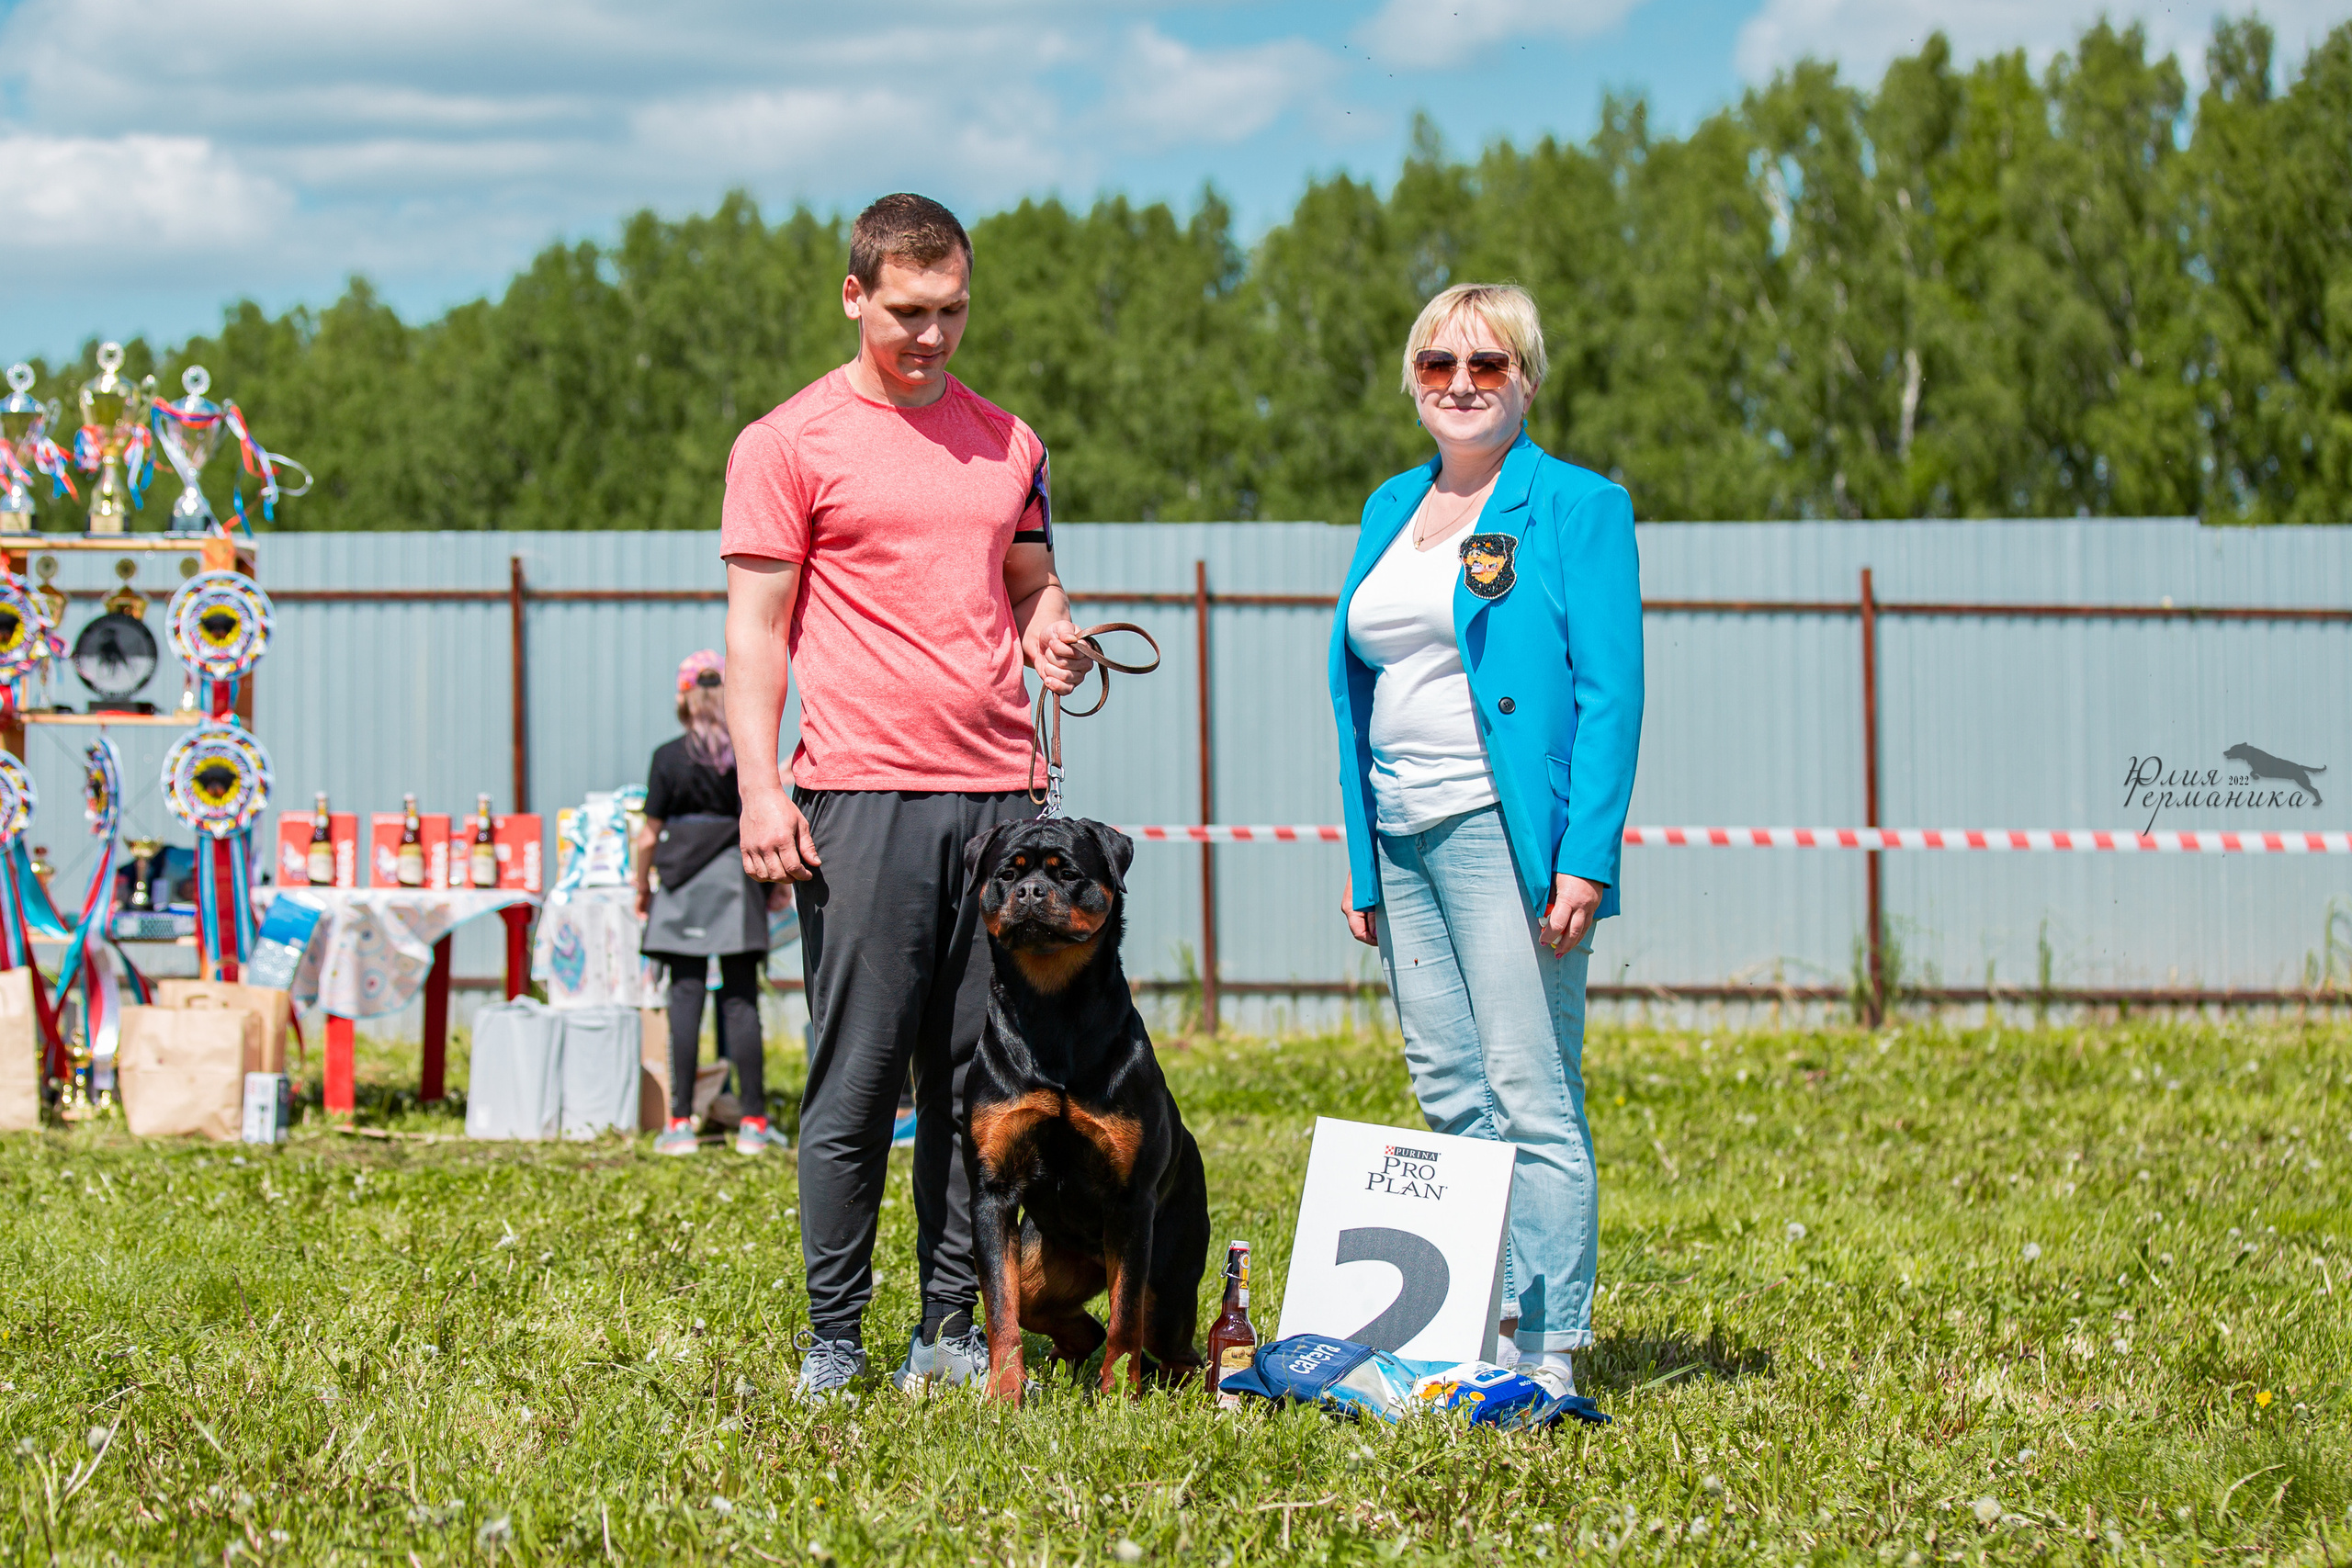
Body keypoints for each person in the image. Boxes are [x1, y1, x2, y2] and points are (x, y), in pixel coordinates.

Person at [719, 193, 1092, 1400]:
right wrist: (764, 788)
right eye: (909, 312)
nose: (933, 335)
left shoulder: (1011, 440)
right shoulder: (786, 443)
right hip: (859, 796)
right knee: (858, 1071)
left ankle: (946, 1326)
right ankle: (836, 1335)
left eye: (954, 311)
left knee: (977, 1081)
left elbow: (1030, 583)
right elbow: (757, 631)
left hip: (1001, 798)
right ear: (855, 296)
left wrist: (1057, 632)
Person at [1327, 282, 1644, 1390]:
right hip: (1400, 829)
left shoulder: (1577, 508)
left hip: (1506, 839)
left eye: (1487, 365)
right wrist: (1363, 857)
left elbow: (1611, 694)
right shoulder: (1386, 509)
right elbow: (1357, 690)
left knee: (1530, 1091)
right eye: (1436, 366)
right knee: (1449, 1089)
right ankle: (1479, 1321)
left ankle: (1547, 1348)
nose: (1460, 385)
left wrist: (1584, 858)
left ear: (1526, 379)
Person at [635, 649, 784, 1157]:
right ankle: (754, 1123)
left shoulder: (666, 757)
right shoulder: (746, 760)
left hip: (680, 887)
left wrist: (641, 888)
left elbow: (647, 837)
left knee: (685, 995)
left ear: (683, 699)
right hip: (735, 885)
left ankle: (679, 1123)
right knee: (740, 1000)